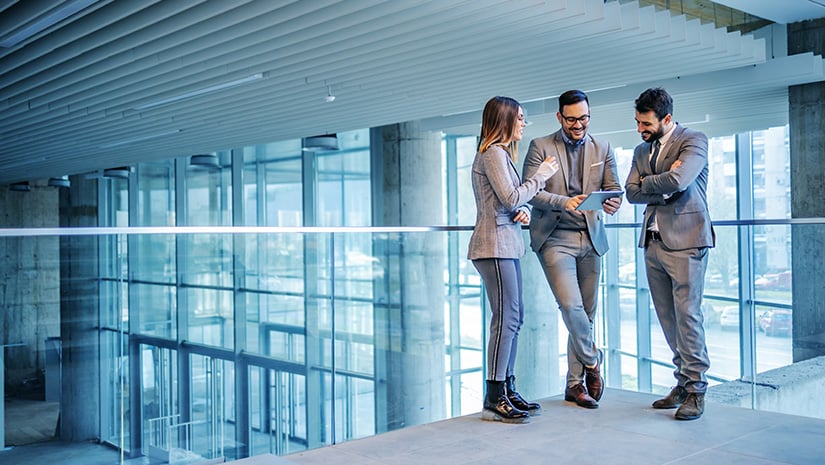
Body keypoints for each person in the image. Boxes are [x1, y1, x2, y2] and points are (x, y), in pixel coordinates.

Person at [522, 89, 622, 409]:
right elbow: (531, 192)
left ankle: (575, 384)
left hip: (591, 237)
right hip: (555, 237)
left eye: (584, 118)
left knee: (587, 315)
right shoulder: (540, 146)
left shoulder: (602, 147)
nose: (579, 125)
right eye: (572, 119)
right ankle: (594, 361)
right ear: (559, 117)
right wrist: (566, 202)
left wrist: (613, 201)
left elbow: (612, 188)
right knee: (571, 307)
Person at [624, 87, 715, 420]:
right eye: (637, 122)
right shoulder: (640, 150)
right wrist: (660, 185)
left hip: (688, 240)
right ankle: (682, 381)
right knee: (668, 318)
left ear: (666, 118)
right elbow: (630, 192)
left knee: (688, 315)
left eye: (645, 123)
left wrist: (655, 183)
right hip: (653, 241)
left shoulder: (694, 140)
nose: (640, 129)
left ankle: (696, 389)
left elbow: (680, 178)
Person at [468, 96, 559, 423]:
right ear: (505, 120)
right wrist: (541, 175)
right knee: (506, 319)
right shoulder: (493, 153)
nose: (523, 123)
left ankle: (506, 387)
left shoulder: (499, 155)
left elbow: (505, 202)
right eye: (520, 118)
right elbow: (509, 195)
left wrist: (518, 210)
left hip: (503, 245)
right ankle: (495, 396)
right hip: (493, 247)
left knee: (513, 318)